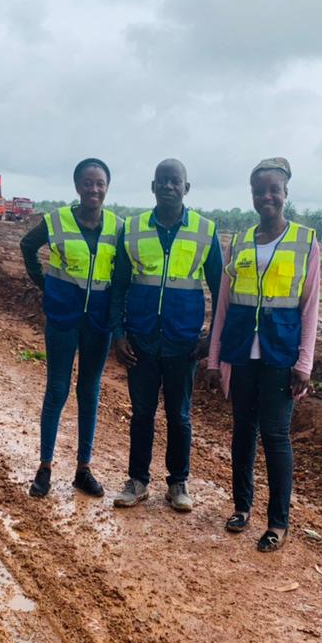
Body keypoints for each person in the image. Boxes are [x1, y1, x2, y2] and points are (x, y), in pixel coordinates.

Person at [206, 157, 321, 552]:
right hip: (241, 351)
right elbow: (223, 304)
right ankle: (241, 507)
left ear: (286, 193)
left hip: (280, 354)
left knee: (275, 435)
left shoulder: (305, 241)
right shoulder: (239, 242)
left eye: (274, 190)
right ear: (252, 195)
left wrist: (304, 363)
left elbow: (310, 307)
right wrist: (214, 359)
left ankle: (278, 522)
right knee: (242, 431)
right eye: (259, 191)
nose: (266, 197)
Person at [110, 159, 222, 513]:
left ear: (186, 188)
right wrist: (118, 334)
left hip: (183, 343)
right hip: (140, 340)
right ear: (153, 186)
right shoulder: (133, 229)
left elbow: (221, 291)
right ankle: (137, 481)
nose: (169, 187)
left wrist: (212, 340)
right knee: (142, 413)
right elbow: (118, 286)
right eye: (163, 181)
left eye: (176, 181)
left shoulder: (205, 231)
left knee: (179, 416)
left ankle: (178, 483)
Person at [20, 158, 121, 499]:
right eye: (88, 183)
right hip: (63, 318)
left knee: (89, 392)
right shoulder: (57, 220)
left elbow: (123, 272)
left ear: (107, 187)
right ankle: (45, 468)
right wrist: (45, 286)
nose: (94, 189)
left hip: (98, 322)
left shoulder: (117, 227)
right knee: (57, 390)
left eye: (100, 183)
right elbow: (27, 246)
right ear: (77, 186)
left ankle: (83, 469)